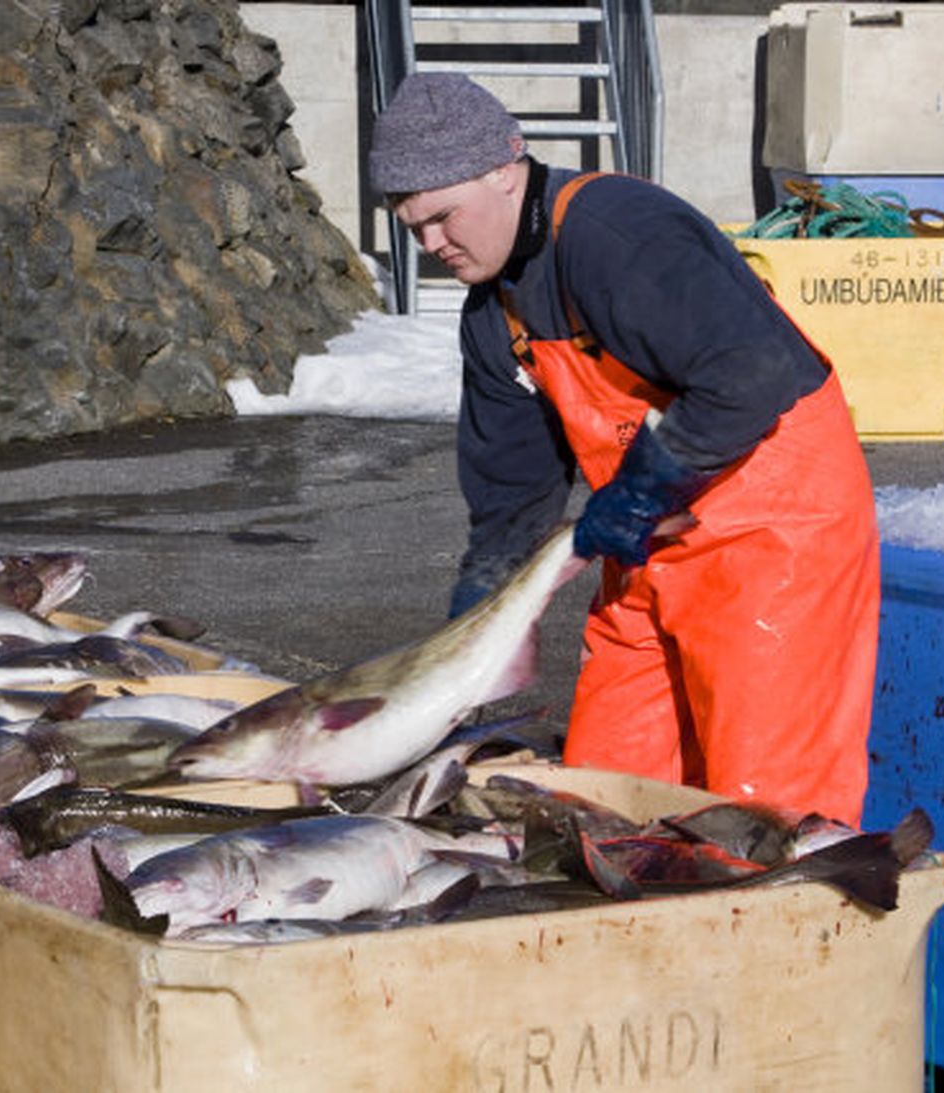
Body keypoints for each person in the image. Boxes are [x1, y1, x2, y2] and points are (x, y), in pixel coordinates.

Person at [368, 73, 879, 825]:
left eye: (442, 218)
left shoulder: (619, 235)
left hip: (774, 540)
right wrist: (467, 639)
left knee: (763, 810)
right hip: (646, 554)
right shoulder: (490, 316)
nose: (431, 244)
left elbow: (750, 372)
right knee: (603, 799)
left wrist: (641, 491)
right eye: (412, 228)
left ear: (503, 171)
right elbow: (512, 498)